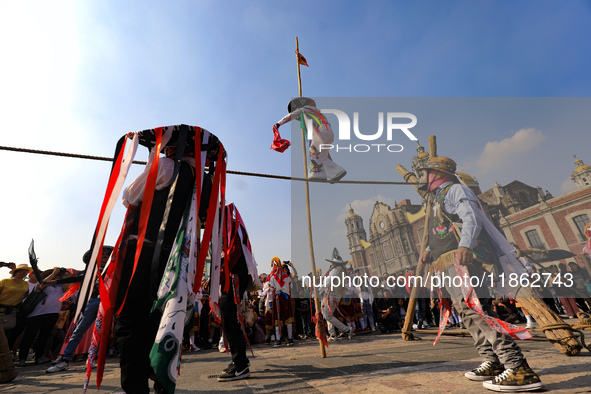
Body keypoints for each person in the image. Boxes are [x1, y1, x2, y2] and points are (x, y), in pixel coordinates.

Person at [417, 156, 543, 392]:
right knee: (465, 311)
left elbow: (471, 218)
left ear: (437, 173)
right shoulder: (435, 200)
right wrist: (427, 250)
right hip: (446, 262)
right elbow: (441, 228)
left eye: (424, 172)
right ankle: (492, 361)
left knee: (476, 309)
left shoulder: (455, 190)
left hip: (463, 259)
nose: (420, 178)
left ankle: (518, 367)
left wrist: (466, 245)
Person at [46, 246, 114, 373]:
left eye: (107, 255)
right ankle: (65, 360)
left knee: (107, 332)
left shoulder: (116, 269)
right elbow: (75, 278)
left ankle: (93, 357)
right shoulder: (90, 271)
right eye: (102, 255)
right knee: (79, 330)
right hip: (93, 302)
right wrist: (55, 280)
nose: (105, 256)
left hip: (112, 302)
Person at [273, 97, 346, 183]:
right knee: (320, 155)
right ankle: (334, 173)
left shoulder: (304, 109)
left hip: (322, 131)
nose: (296, 110)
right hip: (328, 132)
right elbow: (325, 154)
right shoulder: (315, 112)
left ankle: (320, 175)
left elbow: (291, 116)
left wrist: (278, 124)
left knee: (313, 152)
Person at [17, 267, 69, 367]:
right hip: (37, 313)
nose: (58, 277)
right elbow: (42, 284)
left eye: (59, 275)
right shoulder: (42, 283)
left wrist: (65, 277)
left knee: (44, 336)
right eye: (57, 275)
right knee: (30, 336)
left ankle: (39, 357)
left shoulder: (59, 286)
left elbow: (67, 290)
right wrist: (54, 273)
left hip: (53, 313)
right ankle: (22, 358)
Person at [319, 250, 354, 341]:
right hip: (336, 295)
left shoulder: (335, 270)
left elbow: (328, 281)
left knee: (327, 315)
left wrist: (319, 290)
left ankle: (346, 329)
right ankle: (332, 334)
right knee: (328, 314)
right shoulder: (342, 271)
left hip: (333, 295)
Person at [0, 263, 31, 349]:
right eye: (21, 270)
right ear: (16, 272)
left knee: (7, 336)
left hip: (11, 313)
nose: (23, 272)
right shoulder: (5, 281)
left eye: (26, 271)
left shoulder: (25, 284)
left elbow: (24, 296)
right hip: (0, 310)